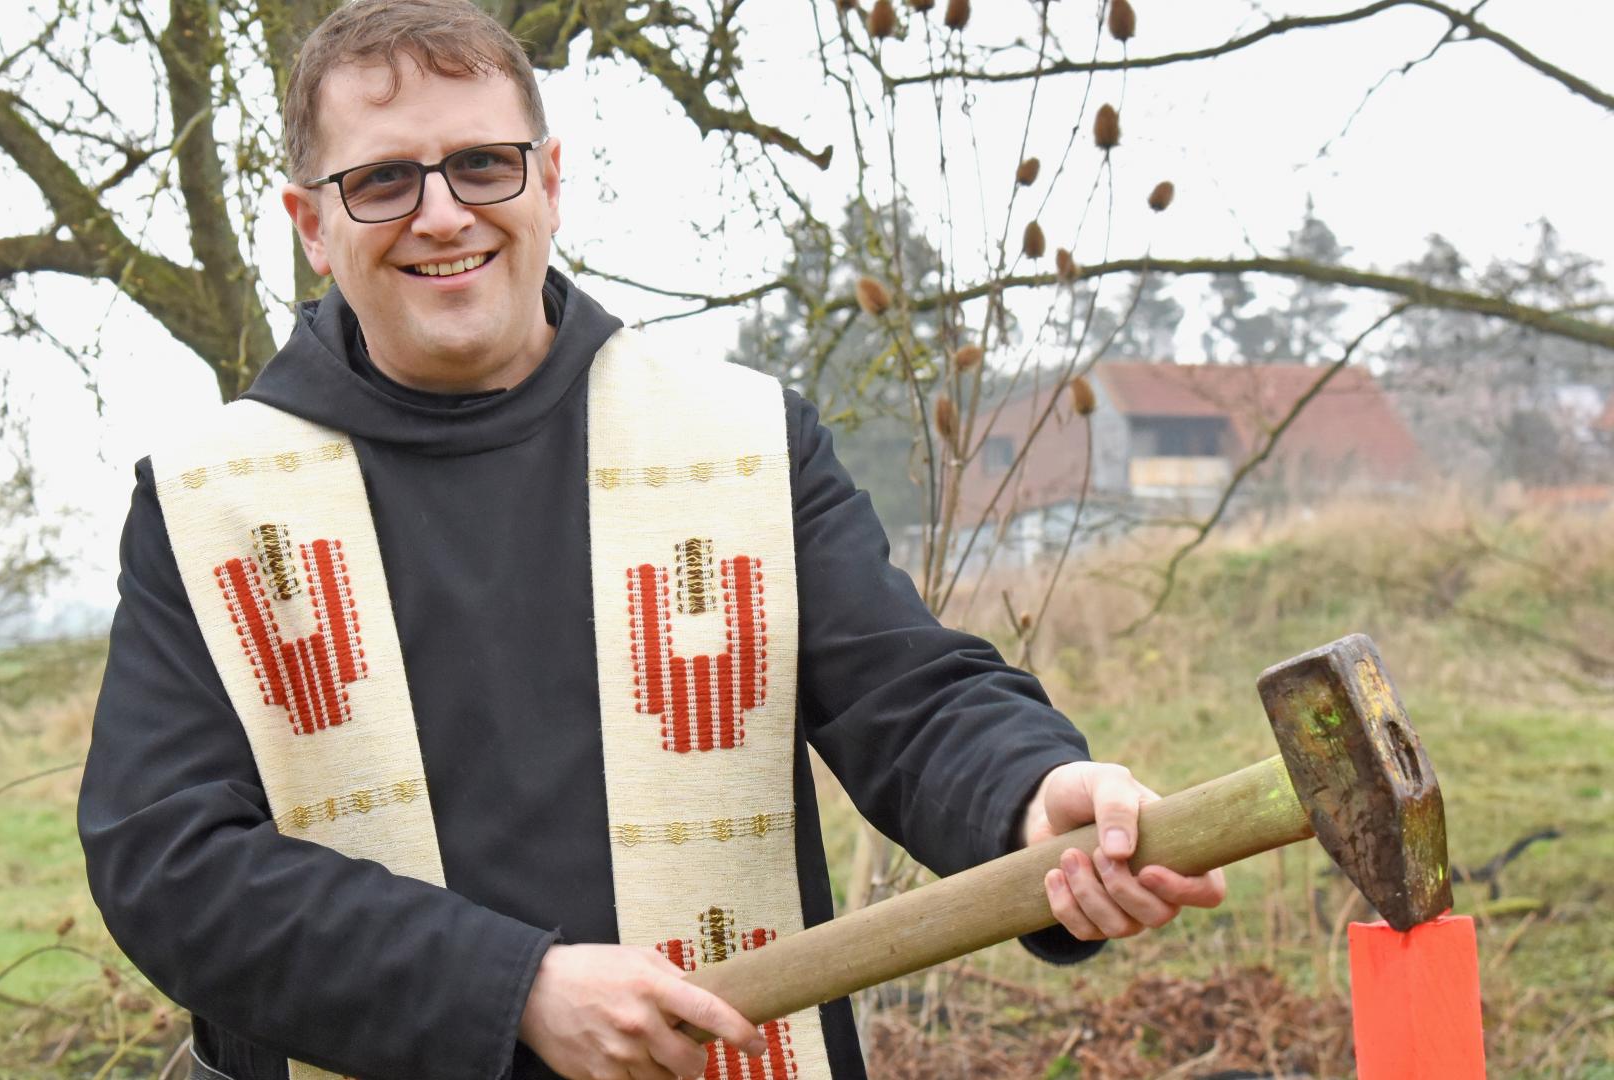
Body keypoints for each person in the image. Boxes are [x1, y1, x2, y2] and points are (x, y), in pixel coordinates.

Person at [76, 2, 1226, 1078]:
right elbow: (170, 866)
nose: (443, 214)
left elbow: (908, 700)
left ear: (552, 180)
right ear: (311, 224)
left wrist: (1032, 796)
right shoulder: (207, 505)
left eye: (484, 163)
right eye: (382, 181)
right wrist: (510, 988)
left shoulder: (740, 441)